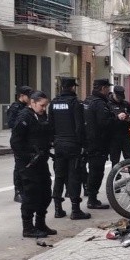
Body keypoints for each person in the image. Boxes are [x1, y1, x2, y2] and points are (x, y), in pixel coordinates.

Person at [10, 90, 55, 238]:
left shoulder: (41, 116)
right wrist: (28, 157)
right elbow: (15, 142)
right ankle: (28, 228)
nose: (44, 108)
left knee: (46, 194)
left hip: (41, 162)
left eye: (45, 106)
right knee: (30, 196)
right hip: (28, 164)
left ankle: (40, 224)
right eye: (42, 105)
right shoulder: (24, 117)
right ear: (33, 103)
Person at [49, 77, 91, 221]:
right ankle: (75, 209)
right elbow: (80, 127)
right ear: (72, 87)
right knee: (74, 176)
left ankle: (57, 209)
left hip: (59, 145)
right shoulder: (75, 103)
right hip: (73, 145)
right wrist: (83, 145)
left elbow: (51, 125)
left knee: (59, 176)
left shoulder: (54, 103)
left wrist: (53, 142)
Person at [84, 79, 118, 209]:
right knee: (97, 172)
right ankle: (92, 199)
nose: (108, 91)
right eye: (107, 88)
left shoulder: (87, 101)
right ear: (103, 88)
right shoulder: (99, 103)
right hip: (98, 143)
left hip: (88, 142)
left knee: (92, 170)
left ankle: (91, 196)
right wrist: (115, 119)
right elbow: (105, 123)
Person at [7, 85, 33, 203]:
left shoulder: (29, 107)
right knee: (19, 166)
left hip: (29, 140)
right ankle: (18, 191)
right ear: (22, 96)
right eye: (29, 95)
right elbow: (11, 123)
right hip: (19, 140)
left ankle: (27, 188)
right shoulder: (15, 107)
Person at [108, 85, 130, 163]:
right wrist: (117, 117)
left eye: (121, 97)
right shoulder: (108, 104)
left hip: (125, 133)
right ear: (114, 94)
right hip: (113, 135)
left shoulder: (126, 104)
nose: (120, 99)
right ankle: (116, 175)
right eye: (118, 97)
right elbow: (106, 120)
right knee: (115, 159)